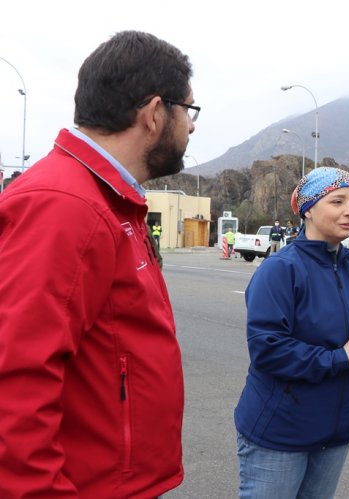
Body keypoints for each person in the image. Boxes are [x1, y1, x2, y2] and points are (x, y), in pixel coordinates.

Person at [0, 31, 195, 497]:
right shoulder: (66, 204)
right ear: (153, 114)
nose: (191, 126)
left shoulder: (105, 198)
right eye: (189, 110)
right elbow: (15, 381)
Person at [234, 167, 349, 499]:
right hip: (280, 433)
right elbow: (268, 349)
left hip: (337, 432)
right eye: (337, 201)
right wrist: (341, 357)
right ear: (308, 209)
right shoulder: (281, 270)